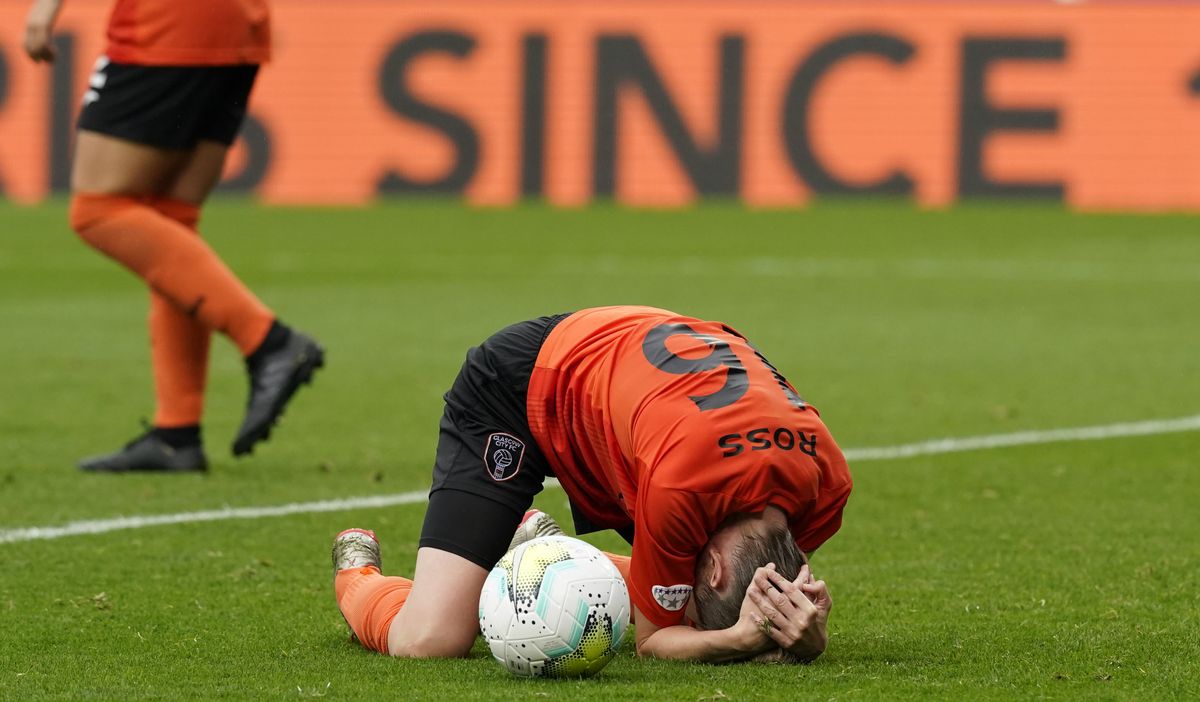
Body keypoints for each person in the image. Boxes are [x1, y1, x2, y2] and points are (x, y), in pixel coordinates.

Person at [331, 306, 852, 663]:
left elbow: (739, 585)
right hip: (522, 384)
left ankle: (545, 554)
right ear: (713, 570)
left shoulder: (827, 485)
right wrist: (737, 639)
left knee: (667, 582)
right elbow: (656, 639)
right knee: (429, 639)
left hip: (636, 374)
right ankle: (357, 572)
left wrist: (800, 628)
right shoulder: (682, 490)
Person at [23, 0, 324, 472]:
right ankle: (176, 434)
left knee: (97, 209)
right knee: (169, 217)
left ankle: (269, 342)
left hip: (167, 20)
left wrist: (44, 7)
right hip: (237, 24)